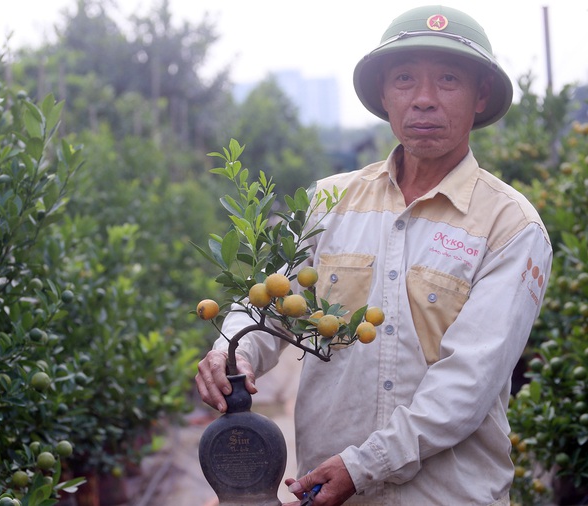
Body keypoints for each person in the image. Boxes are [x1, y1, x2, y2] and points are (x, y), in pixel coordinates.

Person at [196, 5, 553, 505]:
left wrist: (365, 466)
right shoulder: (327, 202)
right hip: (325, 491)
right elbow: (269, 304)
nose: (424, 100)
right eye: (405, 79)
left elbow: (466, 386)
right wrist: (231, 352)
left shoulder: (510, 227)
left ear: (481, 95)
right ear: (385, 94)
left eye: (448, 79)